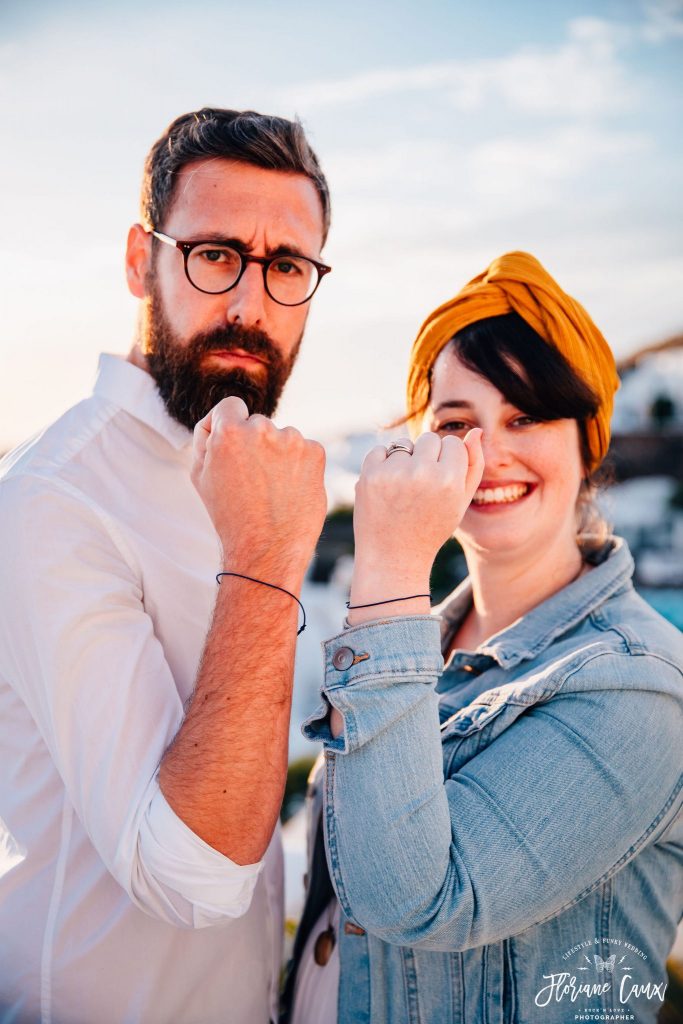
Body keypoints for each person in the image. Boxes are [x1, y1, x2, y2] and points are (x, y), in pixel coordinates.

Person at [285, 252, 683, 1024]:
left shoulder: (638, 686)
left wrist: (391, 559)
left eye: (526, 416)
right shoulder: (414, 645)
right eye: (457, 425)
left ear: (587, 441)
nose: (490, 452)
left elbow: (416, 900)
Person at [0, 107, 332, 1024]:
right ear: (140, 259)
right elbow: (194, 879)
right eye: (215, 254)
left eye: (287, 268)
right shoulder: (55, 501)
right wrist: (266, 556)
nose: (249, 304)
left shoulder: (249, 471)